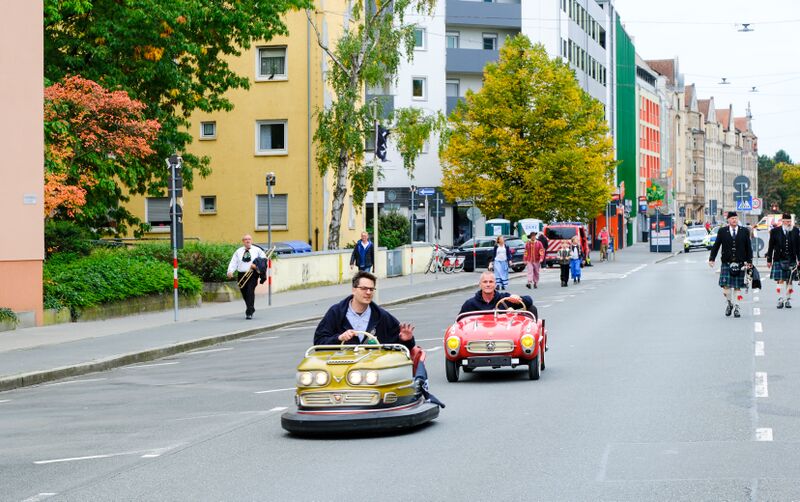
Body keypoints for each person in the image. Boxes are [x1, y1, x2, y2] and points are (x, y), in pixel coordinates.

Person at [314, 271, 415, 350]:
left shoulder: (381, 316)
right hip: (343, 370)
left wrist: (406, 340)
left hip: (372, 371)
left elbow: (399, 345)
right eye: (364, 288)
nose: (368, 292)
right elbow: (319, 342)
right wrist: (339, 338)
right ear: (354, 290)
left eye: (371, 289)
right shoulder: (336, 313)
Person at [708, 211, 753, 318]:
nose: (734, 220)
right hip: (727, 262)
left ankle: (737, 307)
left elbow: (748, 247)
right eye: (732, 218)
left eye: (736, 218)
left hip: (740, 262)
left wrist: (749, 261)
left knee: (737, 287)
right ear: (728, 220)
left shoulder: (744, 231)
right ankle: (729, 303)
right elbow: (716, 245)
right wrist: (712, 258)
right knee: (726, 288)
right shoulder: (722, 231)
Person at [459, 271, 537, 319]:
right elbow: (459, 322)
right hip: (479, 338)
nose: (488, 284)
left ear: (495, 284)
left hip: (502, 337)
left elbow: (529, 301)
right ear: (480, 285)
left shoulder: (505, 299)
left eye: (491, 282)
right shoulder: (470, 304)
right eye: (485, 282)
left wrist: (518, 299)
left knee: (532, 308)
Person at [226, 234, 267, 319]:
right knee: (244, 293)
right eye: (245, 239)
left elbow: (264, 261)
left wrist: (256, 266)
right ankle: (251, 307)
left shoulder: (257, 250)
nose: (247, 241)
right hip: (241, 274)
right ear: (243, 241)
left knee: (250, 291)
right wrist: (230, 271)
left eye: (249, 239)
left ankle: (249, 312)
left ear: (251, 241)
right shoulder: (238, 251)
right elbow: (234, 262)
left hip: (252, 274)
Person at [765, 213, 800, 309]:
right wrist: (769, 260)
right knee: (780, 280)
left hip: (791, 259)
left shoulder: (795, 231)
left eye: (789, 221)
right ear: (782, 221)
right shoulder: (775, 231)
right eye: (786, 221)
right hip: (778, 258)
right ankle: (780, 299)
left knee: (789, 281)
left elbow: (798, 246)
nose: (787, 223)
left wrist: (799, 259)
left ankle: (788, 300)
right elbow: (771, 246)